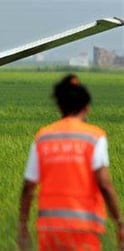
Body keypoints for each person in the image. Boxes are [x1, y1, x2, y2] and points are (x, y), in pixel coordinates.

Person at [18, 74, 124, 251]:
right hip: (84, 229)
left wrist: (22, 225)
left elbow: (29, 186)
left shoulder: (43, 137)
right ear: (86, 107)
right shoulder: (94, 137)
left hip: (49, 229)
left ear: (59, 107)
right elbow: (104, 185)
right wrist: (119, 222)